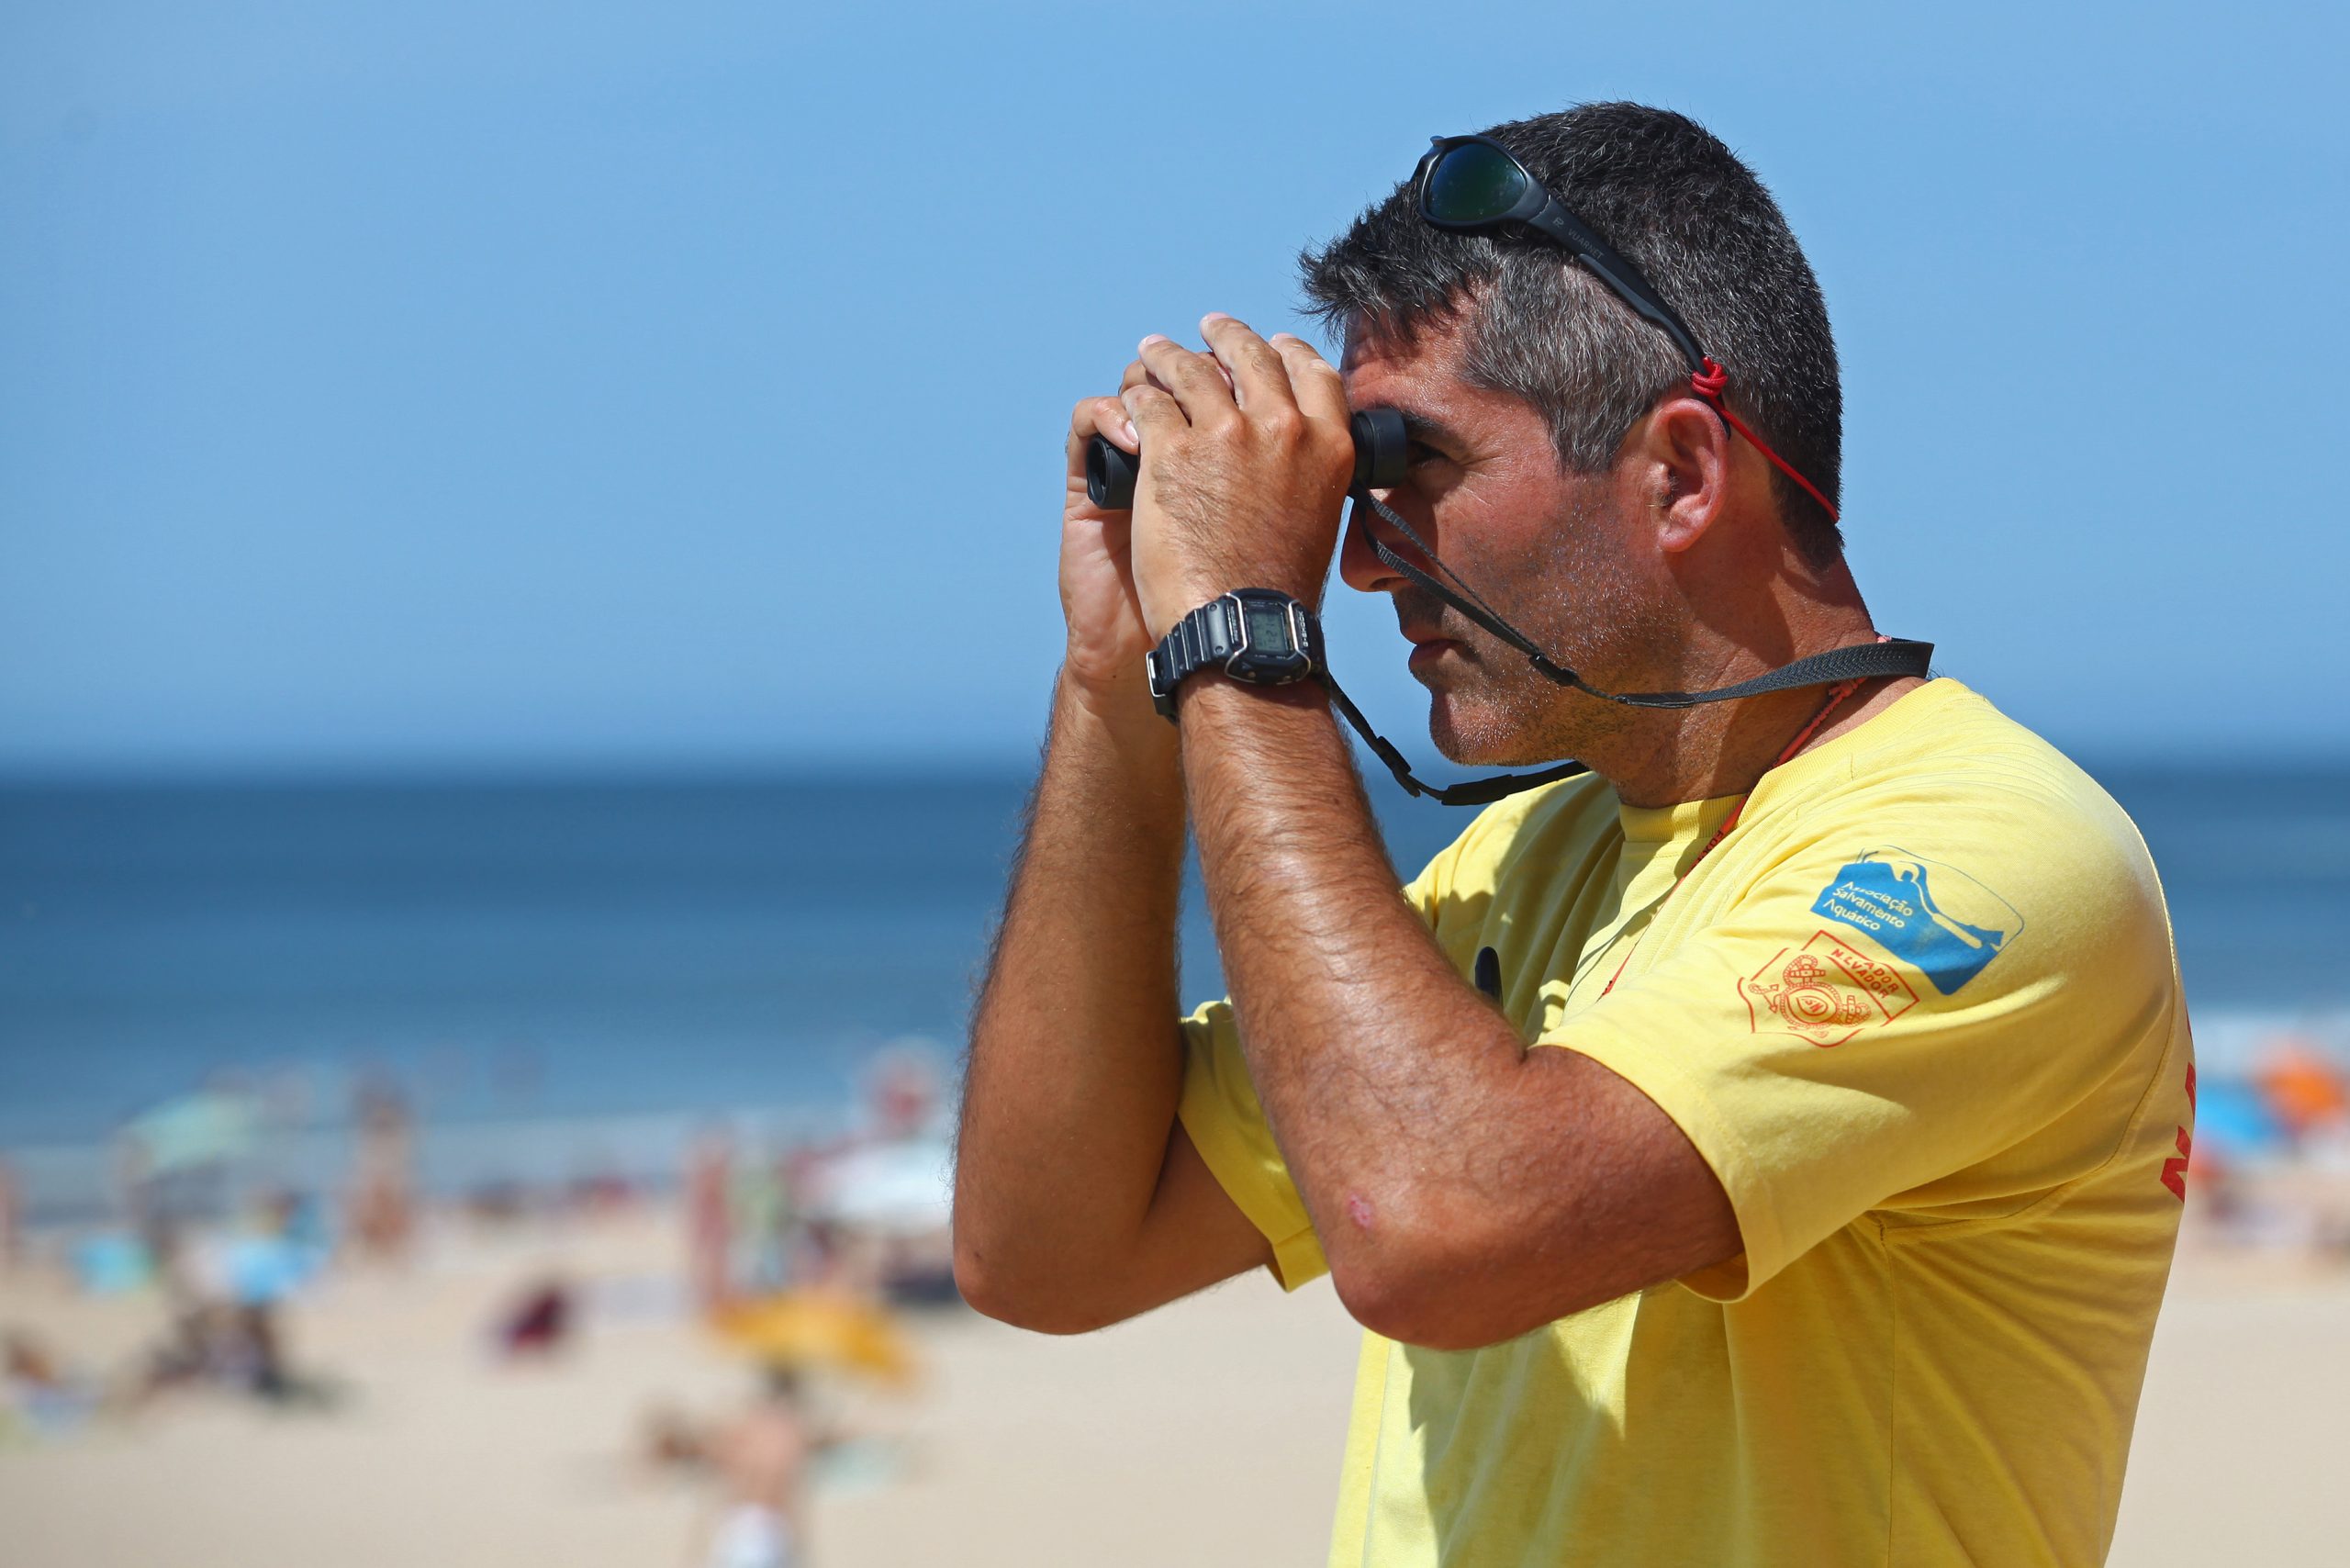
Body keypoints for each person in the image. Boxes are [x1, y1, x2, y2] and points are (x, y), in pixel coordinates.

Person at [953, 103, 2195, 1567]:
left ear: (1680, 472)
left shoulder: (1985, 856)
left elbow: (1434, 1232)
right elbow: (1048, 1247)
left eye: (1410, 472)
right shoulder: (1531, 866)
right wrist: (1116, 681)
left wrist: (1240, 639)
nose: (1359, 564)